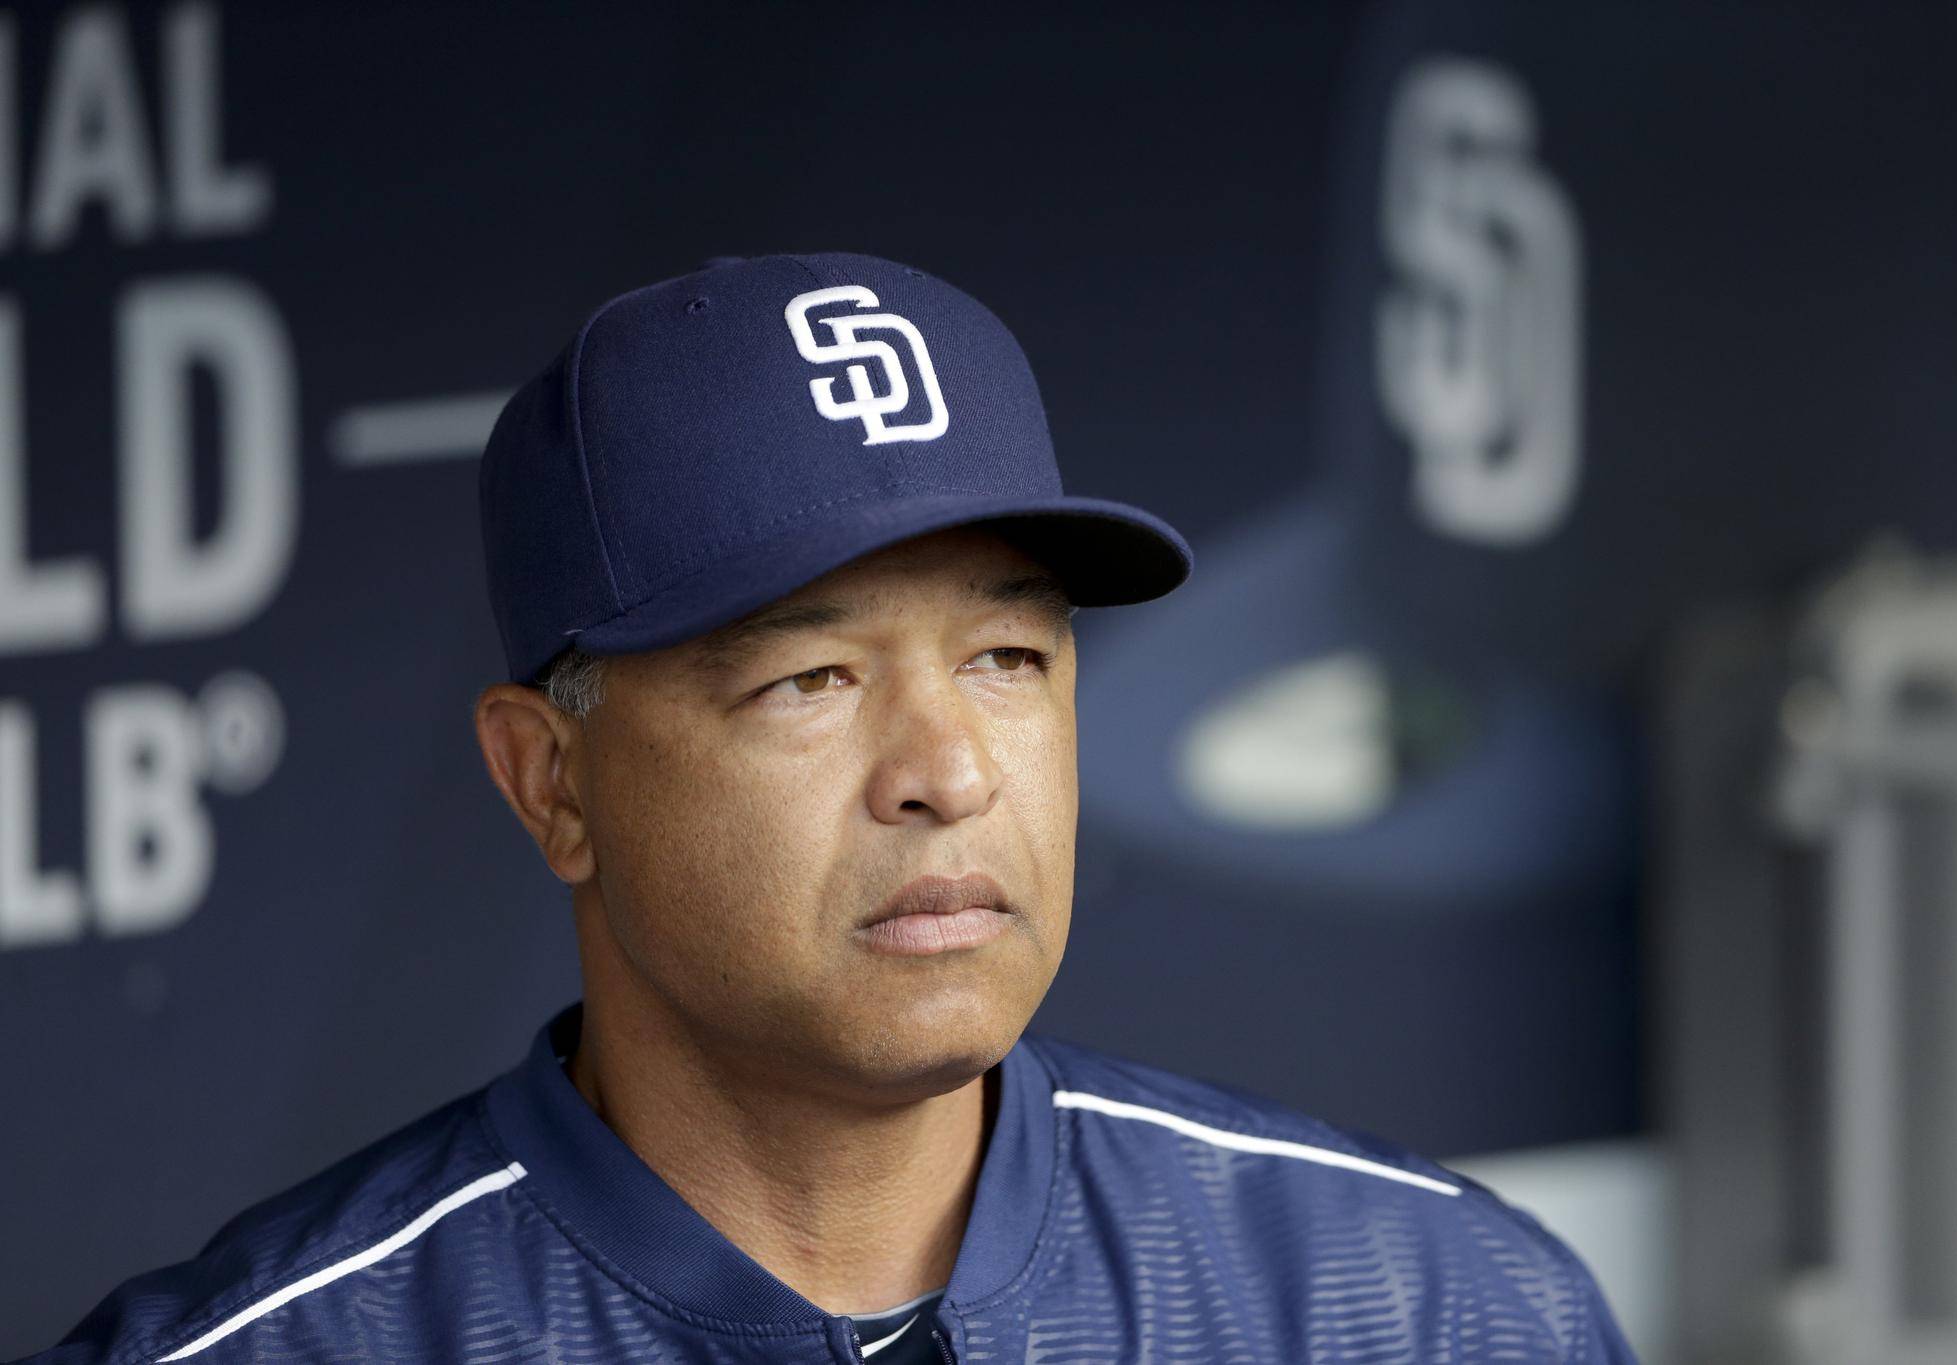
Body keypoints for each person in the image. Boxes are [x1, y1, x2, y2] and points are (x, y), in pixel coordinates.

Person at [26, 253, 1634, 1363]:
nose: (949, 767)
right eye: (809, 679)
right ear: (551, 779)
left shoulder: (1425, 1306)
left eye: (1008, 655)